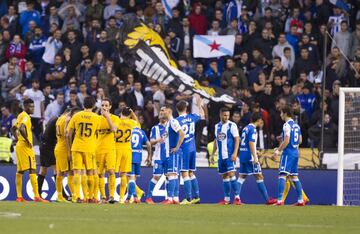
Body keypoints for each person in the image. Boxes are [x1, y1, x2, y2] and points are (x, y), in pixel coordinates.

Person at [11, 99, 47, 202]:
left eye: (33, 106)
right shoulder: (26, 117)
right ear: (25, 106)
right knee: (32, 169)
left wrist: (18, 139)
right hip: (25, 147)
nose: (33, 108)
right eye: (31, 106)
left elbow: (13, 129)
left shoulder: (20, 115)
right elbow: (21, 128)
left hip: (19, 146)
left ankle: (19, 197)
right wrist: (27, 140)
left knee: (20, 171)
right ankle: (36, 196)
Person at [238, 112, 277, 205]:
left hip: (243, 155)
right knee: (259, 176)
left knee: (242, 177)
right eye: (261, 120)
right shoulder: (253, 129)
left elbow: (247, 144)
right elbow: (251, 143)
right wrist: (255, 157)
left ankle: (236, 198)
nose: (262, 122)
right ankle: (267, 199)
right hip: (250, 157)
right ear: (259, 120)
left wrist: (261, 154)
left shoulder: (245, 128)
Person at [67, 96, 100, 203]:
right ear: (94, 105)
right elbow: (98, 133)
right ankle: (89, 197)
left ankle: (76, 196)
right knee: (90, 173)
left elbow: (68, 134)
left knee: (76, 172)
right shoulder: (96, 118)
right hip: (89, 148)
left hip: (76, 146)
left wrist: (69, 149)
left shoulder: (76, 115)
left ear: (83, 104)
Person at [272, 106, 305, 206]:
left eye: (281, 113)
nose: (280, 115)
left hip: (288, 153)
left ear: (285, 113)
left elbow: (286, 140)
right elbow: (300, 140)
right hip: (295, 153)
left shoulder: (286, 125)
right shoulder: (296, 125)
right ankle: (300, 200)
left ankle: (279, 200)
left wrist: (278, 150)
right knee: (294, 176)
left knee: (282, 175)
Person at [176, 96, 204, 205]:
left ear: (177, 109)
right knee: (191, 172)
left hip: (184, 150)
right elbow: (202, 115)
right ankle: (196, 197)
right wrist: (199, 105)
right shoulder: (192, 117)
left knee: (184, 173)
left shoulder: (177, 121)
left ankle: (188, 199)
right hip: (192, 148)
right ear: (186, 108)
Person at [210, 107, 240, 205]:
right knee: (225, 177)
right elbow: (216, 140)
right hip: (220, 156)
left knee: (232, 175)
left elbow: (237, 139)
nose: (226, 117)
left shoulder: (232, 125)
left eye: (228, 115)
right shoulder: (217, 126)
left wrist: (235, 153)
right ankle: (227, 199)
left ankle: (237, 198)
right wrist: (212, 154)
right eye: (224, 115)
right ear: (220, 115)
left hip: (229, 155)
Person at [114, 107, 141, 203]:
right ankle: (121, 198)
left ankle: (112, 196)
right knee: (124, 174)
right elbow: (138, 123)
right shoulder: (132, 123)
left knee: (112, 173)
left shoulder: (116, 121)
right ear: (129, 114)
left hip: (116, 149)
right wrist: (132, 113)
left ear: (121, 113)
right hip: (127, 150)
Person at [96, 98, 119, 204]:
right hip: (98, 149)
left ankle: (111, 196)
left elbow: (114, 130)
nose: (104, 107)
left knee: (111, 171)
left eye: (106, 105)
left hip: (110, 149)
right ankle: (103, 197)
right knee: (100, 174)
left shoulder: (115, 118)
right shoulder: (96, 119)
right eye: (103, 105)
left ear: (110, 107)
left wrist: (107, 118)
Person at [160, 105, 185, 204]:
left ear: (169, 111)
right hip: (168, 153)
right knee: (173, 176)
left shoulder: (173, 122)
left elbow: (182, 133)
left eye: (164, 111)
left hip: (173, 152)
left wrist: (177, 147)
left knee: (172, 175)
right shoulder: (168, 123)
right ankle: (175, 198)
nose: (162, 113)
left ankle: (170, 198)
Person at [55, 107, 80, 202]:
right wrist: (69, 152)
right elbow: (66, 135)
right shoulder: (68, 119)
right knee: (70, 172)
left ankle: (60, 196)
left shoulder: (59, 119)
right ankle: (74, 196)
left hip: (58, 146)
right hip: (65, 148)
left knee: (59, 173)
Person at [145, 109, 167, 204]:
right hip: (158, 156)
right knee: (156, 177)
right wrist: (158, 139)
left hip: (169, 156)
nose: (162, 116)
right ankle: (148, 197)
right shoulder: (155, 128)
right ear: (158, 116)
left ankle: (170, 198)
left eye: (163, 114)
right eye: (160, 114)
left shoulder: (171, 126)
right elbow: (151, 141)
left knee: (170, 177)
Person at [125, 126, 152, 203]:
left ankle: (135, 197)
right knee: (133, 179)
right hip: (138, 157)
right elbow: (148, 144)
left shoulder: (129, 130)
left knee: (130, 178)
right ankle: (128, 198)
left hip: (130, 155)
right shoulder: (141, 132)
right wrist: (149, 156)